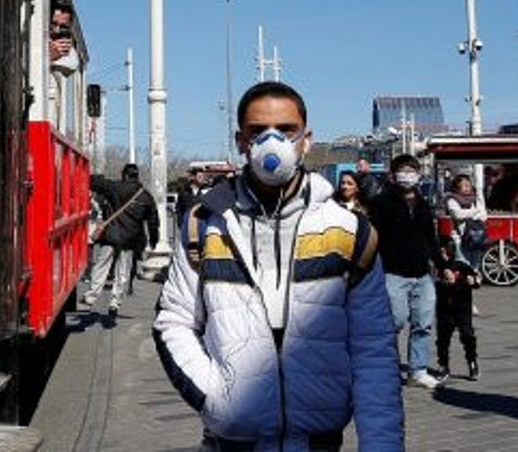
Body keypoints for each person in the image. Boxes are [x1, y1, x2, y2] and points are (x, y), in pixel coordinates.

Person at [153, 82, 402, 451]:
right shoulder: (204, 224)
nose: (273, 141)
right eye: (257, 131)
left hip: (319, 438)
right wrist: (217, 399)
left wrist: (382, 445)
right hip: (234, 440)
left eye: (286, 130)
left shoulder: (348, 231)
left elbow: (373, 347)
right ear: (241, 141)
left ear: (306, 139)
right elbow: (174, 320)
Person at [368, 153, 446, 390]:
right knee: (395, 320)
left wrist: (442, 267)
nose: (408, 175)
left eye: (412, 170)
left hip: (422, 274)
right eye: (403, 170)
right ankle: (384, 367)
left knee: (423, 323)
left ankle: (417, 370)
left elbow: (430, 238)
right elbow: (374, 238)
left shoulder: (422, 203)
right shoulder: (382, 202)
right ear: (393, 174)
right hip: (394, 273)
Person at [85, 163, 158, 317]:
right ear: (137, 176)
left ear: (124, 174)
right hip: (130, 240)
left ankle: (92, 295)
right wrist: (153, 241)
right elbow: (153, 222)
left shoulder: (115, 188)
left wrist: (96, 175)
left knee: (101, 265)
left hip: (111, 236)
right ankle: (115, 302)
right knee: (123, 272)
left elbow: (94, 182)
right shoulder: (146, 196)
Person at [435, 236, 480, 383]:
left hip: (462, 308)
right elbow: (432, 283)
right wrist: (443, 281)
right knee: (443, 339)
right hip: (444, 309)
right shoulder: (436, 268)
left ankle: (472, 362)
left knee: (467, 336)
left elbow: (474, 278)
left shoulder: (460, 266)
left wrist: (472, 281)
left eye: (444, 250)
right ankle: (443, 365)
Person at [443, 174, 487, 267]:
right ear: (457, 187)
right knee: (463, 264)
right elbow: (457, 214)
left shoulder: (474, 199)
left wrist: (471, 213)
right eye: (465, 185)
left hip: (476, 237)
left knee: (475, 265)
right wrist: (476, 211)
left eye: (469, 185)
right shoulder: (451, 199)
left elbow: (483, 216)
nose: (468, 187)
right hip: (460, 238)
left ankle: (475, 280)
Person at [48, 2, 79, 75]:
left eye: (63, 27)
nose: (57, 30)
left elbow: (72, 64)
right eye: (53, 24)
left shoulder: (68, 51)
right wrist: (49, 57)